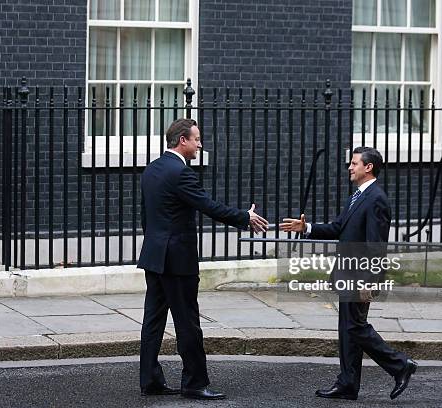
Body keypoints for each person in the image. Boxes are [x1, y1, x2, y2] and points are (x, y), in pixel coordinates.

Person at [138, 118, 268, 400]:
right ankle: (195, 382)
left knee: (153, 320)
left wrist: (154, 246)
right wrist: (244, 217)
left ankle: (150, 380)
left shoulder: (152, 170)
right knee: (187, 321)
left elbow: (146, 217)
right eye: (196, 139)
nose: (200, 144)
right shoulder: (180, 173)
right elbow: (208, 206)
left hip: (154, 256)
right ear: (182, 140)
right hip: (177, 260)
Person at [280, 146, 417, 401]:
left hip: (360, 276)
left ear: (369, 167)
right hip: (348, 273)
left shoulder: (376, 198)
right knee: (348, 329)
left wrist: (370, 282)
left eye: (354, 164)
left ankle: (400, 365)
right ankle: (348, 383)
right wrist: (306, 227)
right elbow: (338, 227)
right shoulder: (358, 196)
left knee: (354, 327)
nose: (350, 168)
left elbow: (376, 246)